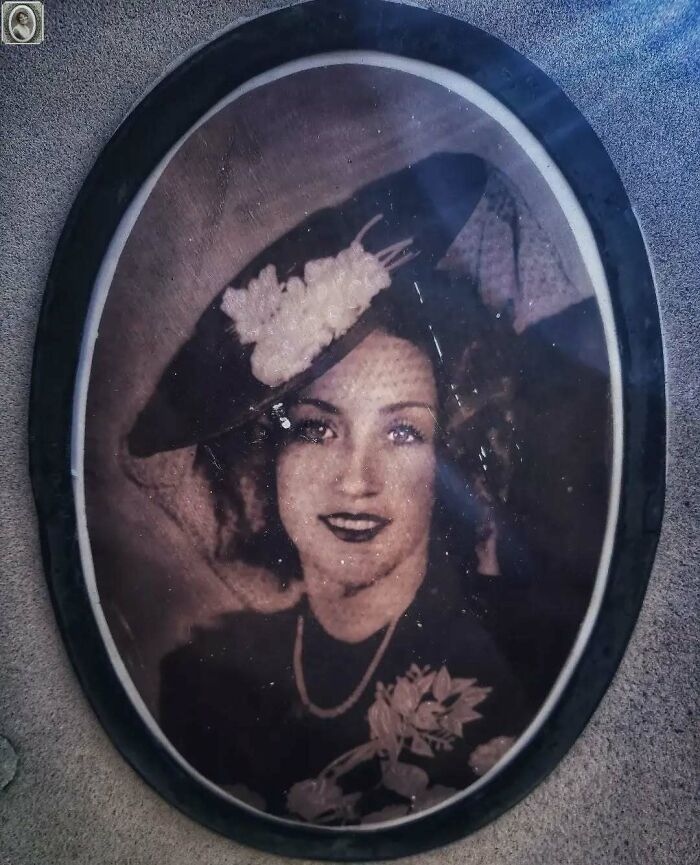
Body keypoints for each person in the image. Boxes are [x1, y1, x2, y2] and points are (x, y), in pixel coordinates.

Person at [126, 152, 610, 824]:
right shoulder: (202, 681)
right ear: (267, 462)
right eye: (317, 430)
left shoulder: (537, 650)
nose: (356, 479)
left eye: (404, 433)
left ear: (456, 458)